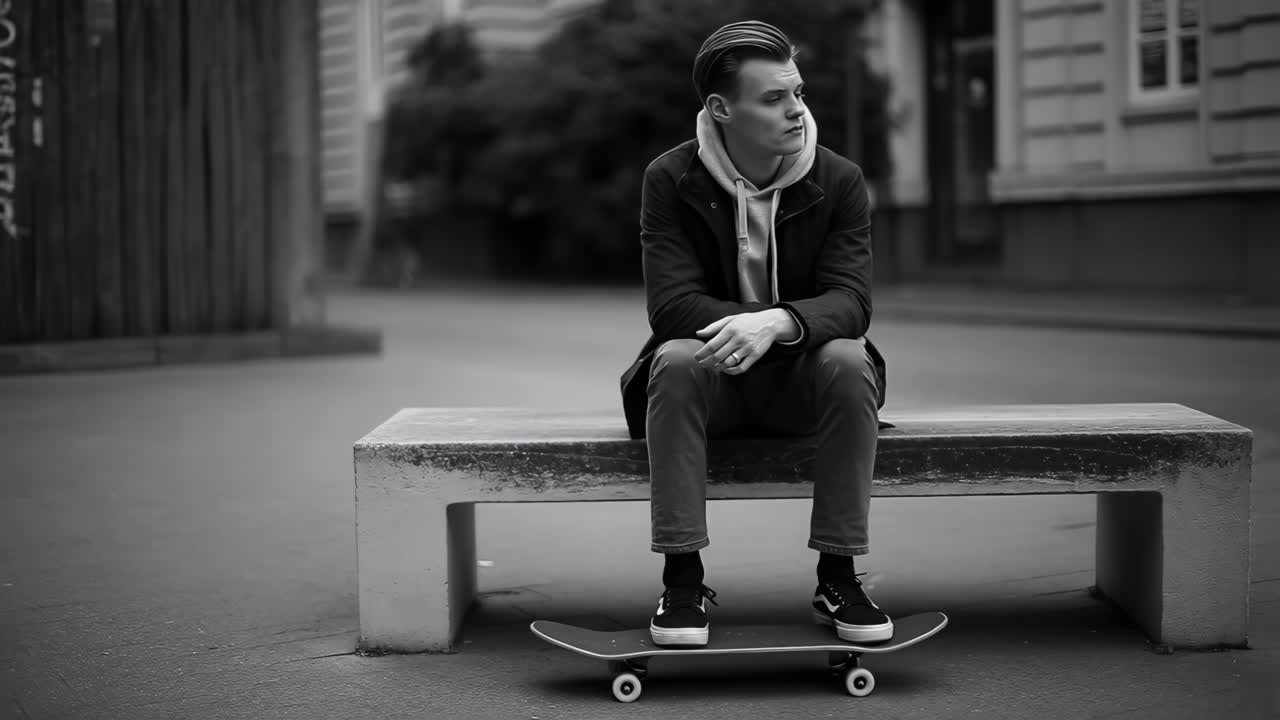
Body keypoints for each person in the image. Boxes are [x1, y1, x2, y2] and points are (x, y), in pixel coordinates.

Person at [618, 20, 891, 648]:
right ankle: (682, 580)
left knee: (851, 361)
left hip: (806, 384)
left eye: (797, 93)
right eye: (773, 98)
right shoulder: (671, 179)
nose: (796, 111)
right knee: (676, 359)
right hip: (713, 384)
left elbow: (851, 301)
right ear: (721, 109)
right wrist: (744, 326)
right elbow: (671, 307)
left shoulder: (839, 180)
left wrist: (781, 320)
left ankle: (838, 575)